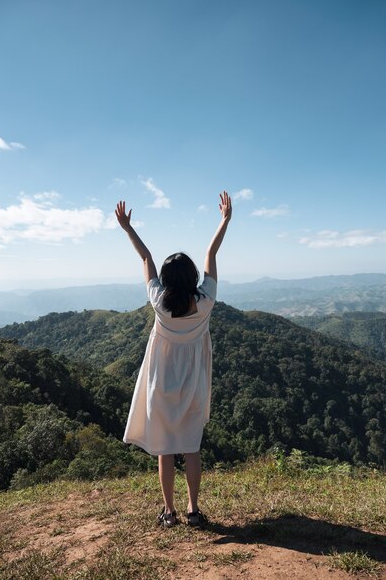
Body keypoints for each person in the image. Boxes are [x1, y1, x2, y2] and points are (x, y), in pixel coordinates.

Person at [115, 191, 232, 527]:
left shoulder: (158, 303)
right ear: (193, 276)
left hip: (162, 385)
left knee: (166, 451)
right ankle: (194, 511)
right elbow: (211, 252)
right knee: (191, 449)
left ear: (165, 281)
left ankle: (169, 512)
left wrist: (127, 228)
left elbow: (146, 258)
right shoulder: (207, 300)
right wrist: (224, 219)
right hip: (194, 385)